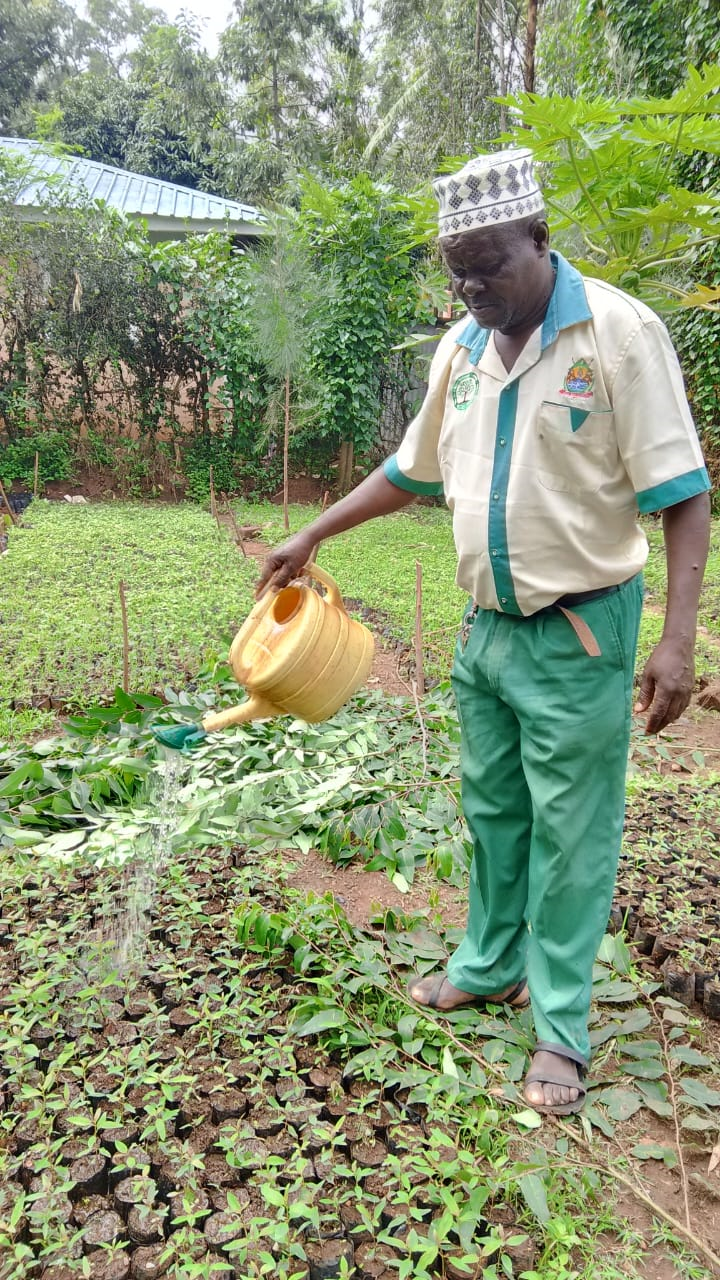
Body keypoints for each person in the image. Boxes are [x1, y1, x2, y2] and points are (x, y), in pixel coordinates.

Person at [256, 148, 711, 1116]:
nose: (471, 288)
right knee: (495, 813)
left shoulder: (617, 333)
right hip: (488, 635)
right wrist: (312, 531)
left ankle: (561, 1027)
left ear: (540, 240)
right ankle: (490, 961)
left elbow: (682, 493)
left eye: (489, 265)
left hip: (581, 630)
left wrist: (679, 639)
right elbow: (412, 470)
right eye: (456, 270)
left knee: (573, 834)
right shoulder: (459, 350)